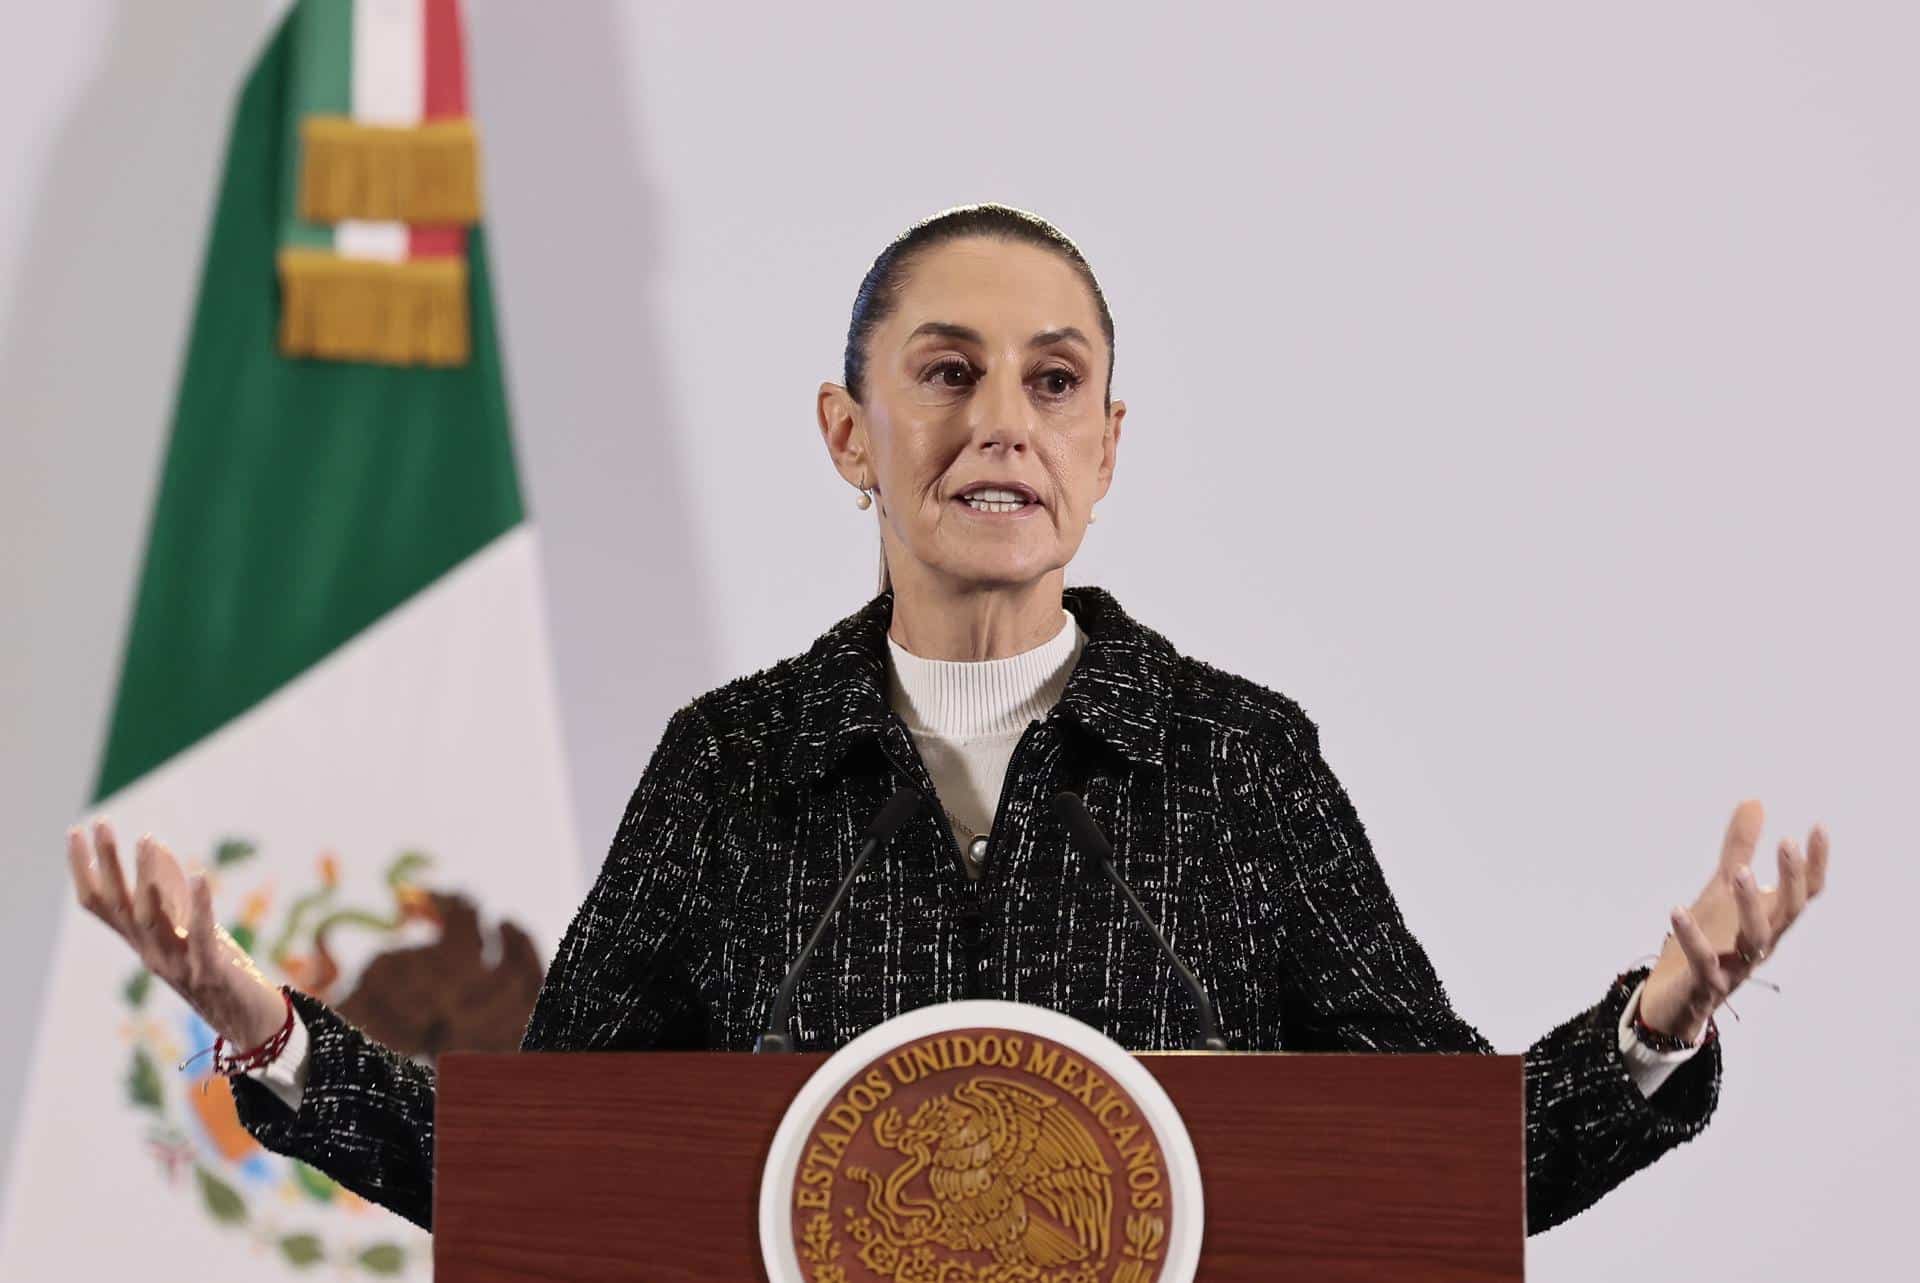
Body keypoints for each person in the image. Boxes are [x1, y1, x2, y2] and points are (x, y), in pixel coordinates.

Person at [67, 203, 1830, 1237]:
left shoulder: (1241, 761)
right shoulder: (729, 766)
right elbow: (545, 1175)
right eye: (948, 374)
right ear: (850, 436)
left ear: (1109, 444)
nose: (1005, 422)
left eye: (1055, 383)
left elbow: (1442, 1174)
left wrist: (1658, 1027)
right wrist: (275, 1032)